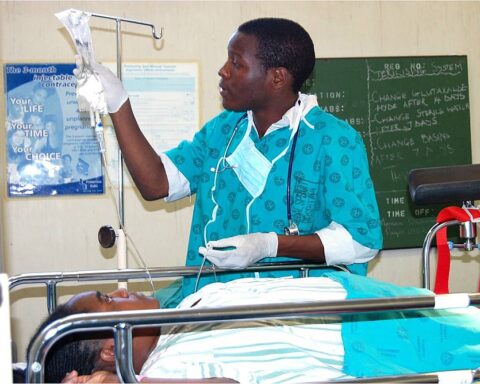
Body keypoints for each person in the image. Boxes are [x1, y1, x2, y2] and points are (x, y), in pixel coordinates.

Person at [74, 18, 383, 302]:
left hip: (296, 316)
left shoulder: (332, 140)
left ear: (277, 78)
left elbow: (361, 241)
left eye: (236, 63)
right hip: (214, 307)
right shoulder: (223, 130)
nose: (223, 71)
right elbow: (156, 183)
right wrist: (118, 102)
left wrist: (269, 245)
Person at [27, 274, 480, 383]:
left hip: (354, 298)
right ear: (111, 350)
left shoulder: (177, 314)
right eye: (109, 300)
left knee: (467, 316)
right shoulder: (169, 369)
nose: (122, 291)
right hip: (357, 342)